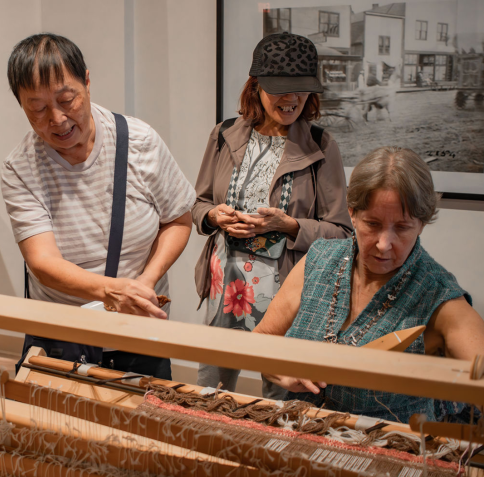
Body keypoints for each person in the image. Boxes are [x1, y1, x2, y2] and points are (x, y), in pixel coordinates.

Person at [1, 34, 195, 378]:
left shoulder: (140, 141)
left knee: (142, 426)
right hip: (60, 336)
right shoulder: (20, 167)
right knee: (50, 431)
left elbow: (178, 219)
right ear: (21, 104)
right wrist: (114, 291)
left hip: (138, 332)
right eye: (38, 108)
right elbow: (43, 263)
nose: (57, 119)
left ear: (87, 82)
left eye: (67, 100)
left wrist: (144, 285)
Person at [254, 146, 484, 422]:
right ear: (352, 213)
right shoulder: (318, 262)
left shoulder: (440, 299)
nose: (384, 244)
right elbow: (260, 342)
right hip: (298, 436)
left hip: (386, 453)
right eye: (372, 224)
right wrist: (282, 369)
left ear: (421, 224)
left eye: (402, 227)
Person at [192, 32, 353, 398]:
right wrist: (214, 216)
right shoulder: (224, 135)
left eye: (302, 89)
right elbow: (199, 203)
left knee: (281, 398)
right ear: (257, 86)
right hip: (225, 285)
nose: (292, 98)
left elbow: (342, 232)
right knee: (210, 392)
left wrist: (289, 225)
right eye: (281, 88)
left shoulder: (321, 146)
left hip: (285, 289)